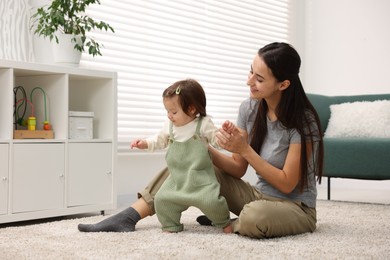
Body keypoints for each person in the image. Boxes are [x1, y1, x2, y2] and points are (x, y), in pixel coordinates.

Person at [78, 42, 324, 239]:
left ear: (283, 84)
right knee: (189, 159)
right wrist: (201, 147)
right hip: (257, 196)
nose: (249, 81)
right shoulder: (249, 109)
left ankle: (228, 219)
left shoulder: (303, 122)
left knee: (253, 218)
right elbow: (238, 170)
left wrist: (245, 150)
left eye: (259, 79)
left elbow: (287, 183)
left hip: (294, 208)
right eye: (251, 71)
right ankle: (130, 215)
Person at [79, 79, 232, 233]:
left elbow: (216, 140)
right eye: (167, 111)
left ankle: (224, 223)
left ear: (192, 109)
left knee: (212, 201)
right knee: (162, 200)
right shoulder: (170, 126)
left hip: (201, 180)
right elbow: (157, 140)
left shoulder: (203, 124)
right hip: (177, 179)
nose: (169, 116)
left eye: (173, 112)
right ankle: (171, 225)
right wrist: (144, 143)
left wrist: (225, 136)